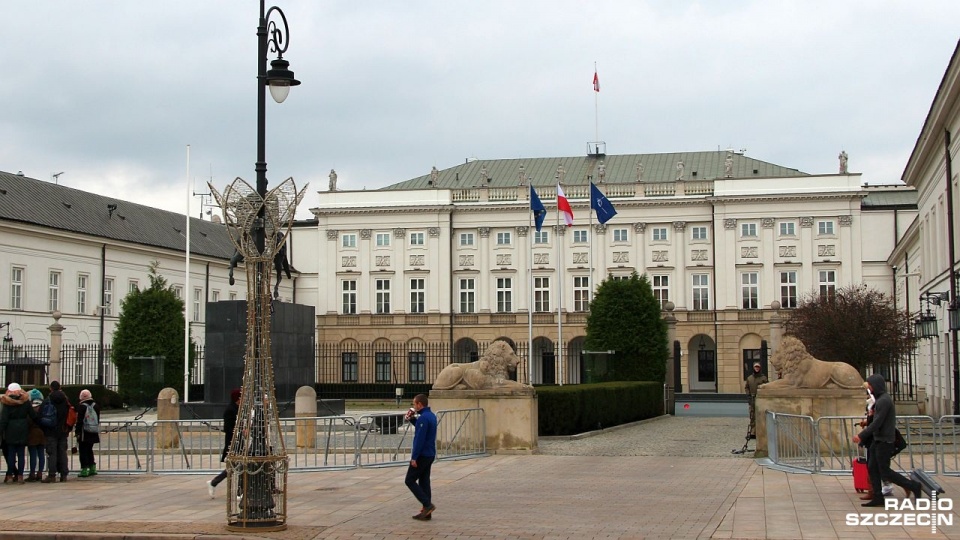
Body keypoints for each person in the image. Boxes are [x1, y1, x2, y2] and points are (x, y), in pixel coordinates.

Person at [852, 374, 921, 507]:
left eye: (870, 385)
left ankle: (913, 485)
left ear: (876, 386)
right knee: (872, 467)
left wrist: (862, 435)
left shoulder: (884, 400)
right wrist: (871, 416)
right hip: (878, 439)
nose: (869, 388)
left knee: (884, 470)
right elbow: (876, 420)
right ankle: (878, 496)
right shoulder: (880, 400)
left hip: (885, 440)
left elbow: (878, 423)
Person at [405, 393, 437, 521]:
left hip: (422, 455)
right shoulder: (431, 415)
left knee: (409, 480)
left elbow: (420, 438)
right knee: (424, 481)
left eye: (414, 403)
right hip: (430, 453)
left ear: (420, 404)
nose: (414, 406)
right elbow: (422, 429)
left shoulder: (424, 418)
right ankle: (426, 512)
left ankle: (428, 505)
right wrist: (412, 419)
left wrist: (414, 457)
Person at [0, 382, 38, 484]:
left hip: (10, 430)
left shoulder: (6, 403)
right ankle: (20, 476)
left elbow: (4, 420)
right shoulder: (25, 402)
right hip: (23, 428)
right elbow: (33, 416)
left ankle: (9, 476)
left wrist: (1, 431)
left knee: (11, 454)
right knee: (21, 454)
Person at [207, 388, 241, 498]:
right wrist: (240, 430)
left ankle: (214, 483)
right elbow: (228, 428)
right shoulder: (230, 410)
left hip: (240, 442)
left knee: (238, 466)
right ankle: (239, 491)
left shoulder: (238, 409)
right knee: (237, 466)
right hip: (233, 443)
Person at [42, 380, 71, 482]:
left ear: (51, 388)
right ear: (60, 387)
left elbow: (42, 414)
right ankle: (64, 475)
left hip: (51, 430)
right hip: (63, 429)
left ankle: (52, 475)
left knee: (52, 453)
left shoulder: (48, 399)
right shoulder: (66, 400)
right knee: (62, 452)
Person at [74, 389, 100, 478]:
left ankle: (84, 469)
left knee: (83, 450)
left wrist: (77, 432)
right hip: (93, 431)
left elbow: (79, 421)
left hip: (84, 432)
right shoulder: (96, 405)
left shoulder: (82, 406)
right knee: (89, 449)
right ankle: (93, 468)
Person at [25, 389, 46, 482]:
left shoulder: (30, 408)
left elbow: (28, 421)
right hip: (42, 433)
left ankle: (32, 473)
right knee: (41, 454)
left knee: (33, 454)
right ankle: (40, 472)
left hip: (32, 433)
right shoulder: (44, 407)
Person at [744, 362, 768, 439]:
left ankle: (760, 432)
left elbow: (767, 387)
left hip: (760, 398)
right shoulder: (750, 378)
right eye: (755, 367)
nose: (757, 368)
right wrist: (748, 396)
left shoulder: (763, 378)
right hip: (752, 398)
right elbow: (747, 387)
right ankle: (753, 432)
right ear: (754, 368)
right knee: (752, 415)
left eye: (758, 367)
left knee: (760, 415)